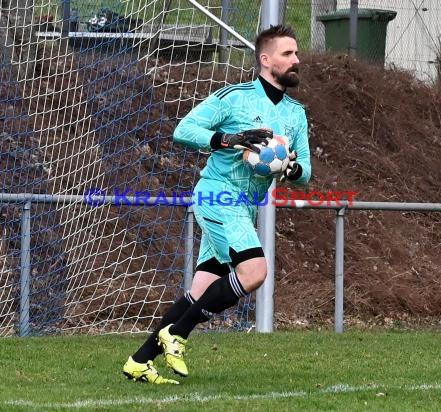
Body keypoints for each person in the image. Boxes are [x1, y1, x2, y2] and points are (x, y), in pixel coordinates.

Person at [122, 24, 311, 384]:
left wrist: (289, 166)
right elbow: (184, 131)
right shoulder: (234, 97)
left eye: (296, 53)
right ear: (265, 59)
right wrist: (229, 139)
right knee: (254, 272)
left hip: (245, 205)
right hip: (217, 194)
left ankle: (140, 361)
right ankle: (177, 334)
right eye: (288, 54)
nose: (296, 60)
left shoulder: (295, 114)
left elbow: (305, 173)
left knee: (199, 290)